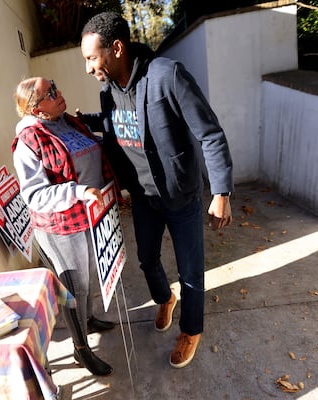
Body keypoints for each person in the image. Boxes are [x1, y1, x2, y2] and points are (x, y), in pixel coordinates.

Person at [79, 12, 234, 368]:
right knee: (147, 259)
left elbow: (209, 133)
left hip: (180, 196)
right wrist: (79, 122)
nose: (88, 68)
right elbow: (111, 128)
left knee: (191, 271)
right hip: (144, 198)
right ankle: (165, 298)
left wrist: (221, 192)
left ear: (116, 48)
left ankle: (191, 329)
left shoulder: (167, 76)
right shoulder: (108, 93)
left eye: (91, 58)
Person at [12, 77, 117, 376]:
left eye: (56, 86)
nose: (59, 94)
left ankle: (90, 318)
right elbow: (33, 195)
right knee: (75, 285)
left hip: (89, 215)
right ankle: (81, 350)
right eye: (51, 93)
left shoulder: (68, 121)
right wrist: (77, 191)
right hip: (61, 224)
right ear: (36, 108)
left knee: (91, 274)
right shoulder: (28, 142)